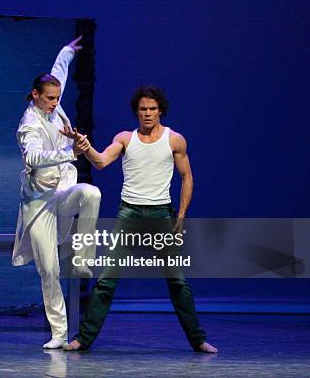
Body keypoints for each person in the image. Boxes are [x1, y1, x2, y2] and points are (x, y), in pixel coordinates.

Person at [61, 85, 218, 353]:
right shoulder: (124, 138)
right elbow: (100, 162)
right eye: (143, 109)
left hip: (160, 214)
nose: (147, 113)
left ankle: (198, 339)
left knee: (177, 281)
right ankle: (83, 339)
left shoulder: (174, 140)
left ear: (160, 111)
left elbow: (187, 177)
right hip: (129, 214)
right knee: (107, 279)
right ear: (136, 111)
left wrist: (180, 215)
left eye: (152, 109)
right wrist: (85, 147)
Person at [12, 36, 101, 349]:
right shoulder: (28, 125)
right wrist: (70, 152)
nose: (54, 102)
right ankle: (59, 333)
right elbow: (33, 158)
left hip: (62, 192)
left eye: (57, 97)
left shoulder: (54, 104)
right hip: (39, 204)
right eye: (49, 98)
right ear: (35, 96)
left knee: (91, 194)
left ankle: (82, 259)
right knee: (48, 268)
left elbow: (58, 72)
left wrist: (66, 51)